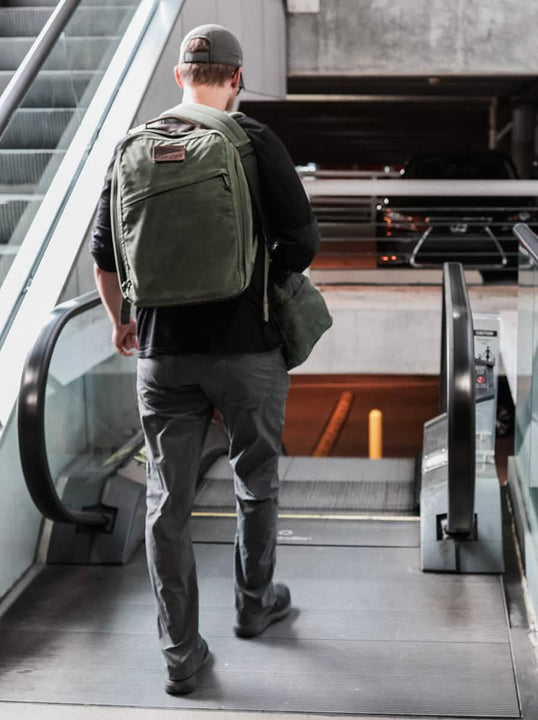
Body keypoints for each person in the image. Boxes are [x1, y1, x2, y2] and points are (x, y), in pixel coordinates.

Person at [90, 24, 320, 696]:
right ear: (237, 78)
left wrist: (122, 323)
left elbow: (105, 258)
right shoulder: (252, 139)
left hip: (162, 353)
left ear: (179, 78)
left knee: (168, 502)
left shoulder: (134, 145)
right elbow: (303, 240)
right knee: (256, 476)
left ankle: (181, 655)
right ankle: (253, 602)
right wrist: (264, 271)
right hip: (248, 347)